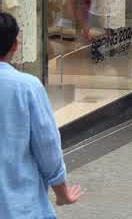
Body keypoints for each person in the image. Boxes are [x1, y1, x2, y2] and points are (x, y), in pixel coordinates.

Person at [0, 13, 83, 216]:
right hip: (21, 207)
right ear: (14, 46)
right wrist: (62, 192)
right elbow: (47, 145)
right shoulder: (27, 87)